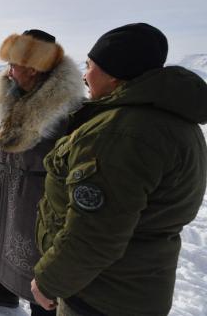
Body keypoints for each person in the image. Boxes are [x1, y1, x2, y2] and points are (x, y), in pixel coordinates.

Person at [31, 23, 207, 315]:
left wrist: (49, 281)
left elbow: (95, 235)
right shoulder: (175, 122)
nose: (85, 76)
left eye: (90, 66)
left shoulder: (119, 134)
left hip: (99, 295)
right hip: (136, 287)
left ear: (113, 74)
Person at [0, 29, 84, 315]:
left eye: (14, 63)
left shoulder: (66, 106)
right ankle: (4, 292)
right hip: (4, 182)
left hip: (36, 194)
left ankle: (41, 310)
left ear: (34, 68)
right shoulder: (14, 91)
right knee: (1, 237)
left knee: (31, 253)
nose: (9, 70)